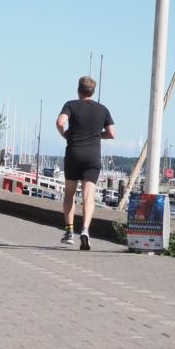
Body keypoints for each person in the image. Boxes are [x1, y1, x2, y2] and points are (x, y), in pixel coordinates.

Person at [56, 76, 116, 250]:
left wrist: (64, 134)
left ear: (78, 89)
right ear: (93, 91)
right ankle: (85, 230)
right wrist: (98, 135)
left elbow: (60, 122)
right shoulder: (102, 109)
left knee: (69, 194)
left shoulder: (71, 105)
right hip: (92, 156)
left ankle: (69, 231)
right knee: (88, 195)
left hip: (74, 154)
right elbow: (112, 133)